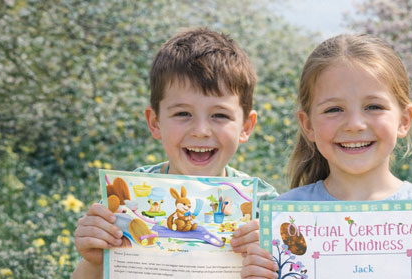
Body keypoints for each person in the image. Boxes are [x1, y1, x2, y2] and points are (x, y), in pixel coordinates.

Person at [230, 34, 412, 279]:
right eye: (334, 109)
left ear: (404, 119)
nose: (354, 124)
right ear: (308, 125)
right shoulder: (281, 221)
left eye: (373, 107)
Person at [71, 27, 279, 279]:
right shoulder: (128, 196)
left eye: (220, 115)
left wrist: (272, 262)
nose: (201, 131)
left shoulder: (267, 207)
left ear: (246, 127)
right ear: (155, 122)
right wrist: (94, 261)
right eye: (182, 113)